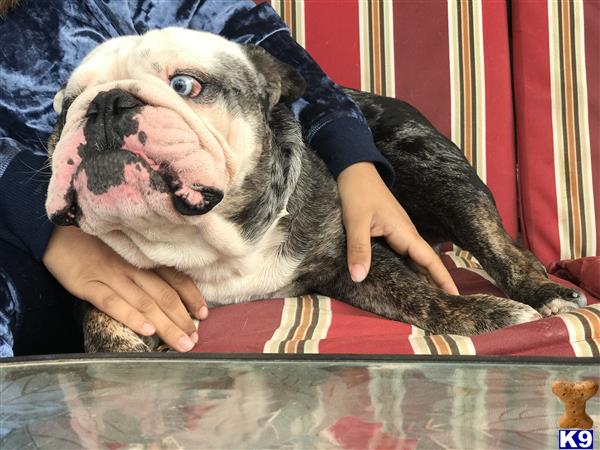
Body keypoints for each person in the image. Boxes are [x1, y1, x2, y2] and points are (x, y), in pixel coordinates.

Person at [0, 0, 457, 356]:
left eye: (185, 85)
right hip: (38, 238)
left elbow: (261, 45)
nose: (109, 116)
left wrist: (354, 159)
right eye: (77, 105)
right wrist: (49, 233)